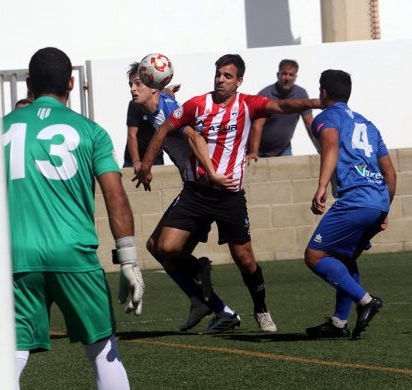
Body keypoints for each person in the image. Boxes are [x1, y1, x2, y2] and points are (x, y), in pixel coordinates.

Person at [136, 54, 321, 333]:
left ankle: (261, 310)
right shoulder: (197, 104)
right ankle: (200, 273)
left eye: (228, 76)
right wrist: (146, 165)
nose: (221, 80)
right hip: (196, 193)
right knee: (165, 247)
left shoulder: (248, 104)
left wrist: (316, 103)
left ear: (239, 81)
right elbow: (164, 129)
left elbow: (282, 105)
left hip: (230, 196)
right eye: (218, 74)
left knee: (245, 260)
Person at [3, 47, 144, 389]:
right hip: (74, 256)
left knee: (10, 354)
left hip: (17, 258)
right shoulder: (90, 131)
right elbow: (116, 197)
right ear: (70, 82)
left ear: (28, 84)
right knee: (102, 349)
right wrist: (128, 259)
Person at [127, 61, 240, 334]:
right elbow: (135, 131)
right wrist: (140, 164)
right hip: (192, 187)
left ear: (154, 86)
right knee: (155, 246)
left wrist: (211, 173)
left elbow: (193, 136)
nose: (132, 89)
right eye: (131, 84)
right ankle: (206, 303)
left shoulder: (166, 108)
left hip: (203, 188)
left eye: (138, 83)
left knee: (168, 249)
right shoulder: (147, 105)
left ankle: (205, 281)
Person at [304, 70, 396, 340]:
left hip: (355, 200)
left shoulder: (326, 118)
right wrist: (385, 209)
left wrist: (321, 186)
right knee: (344, 258)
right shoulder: (369, 124)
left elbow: (330, 146)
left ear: (323, 93)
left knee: (314, 256)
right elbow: (390, 173)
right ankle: (338, 322)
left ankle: (366, 301)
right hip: (378, 200)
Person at [249, 59, 318, 159]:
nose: (287, 78)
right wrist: (253, 152)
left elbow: (309, 124)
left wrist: (320, 149)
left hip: (283, 149)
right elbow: (257, 126)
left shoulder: (301, 94)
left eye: (291, 75)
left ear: (295, 77)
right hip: (258, 150)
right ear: (278, 75)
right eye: (284, 74)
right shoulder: (265, 95)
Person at [123, 100, 165, 172]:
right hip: (133, 158)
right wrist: (136, 161)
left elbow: (163, 135)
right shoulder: (134, 104)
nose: (133, 89)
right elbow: (131, 134)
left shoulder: (163, 104)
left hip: (155, 157)